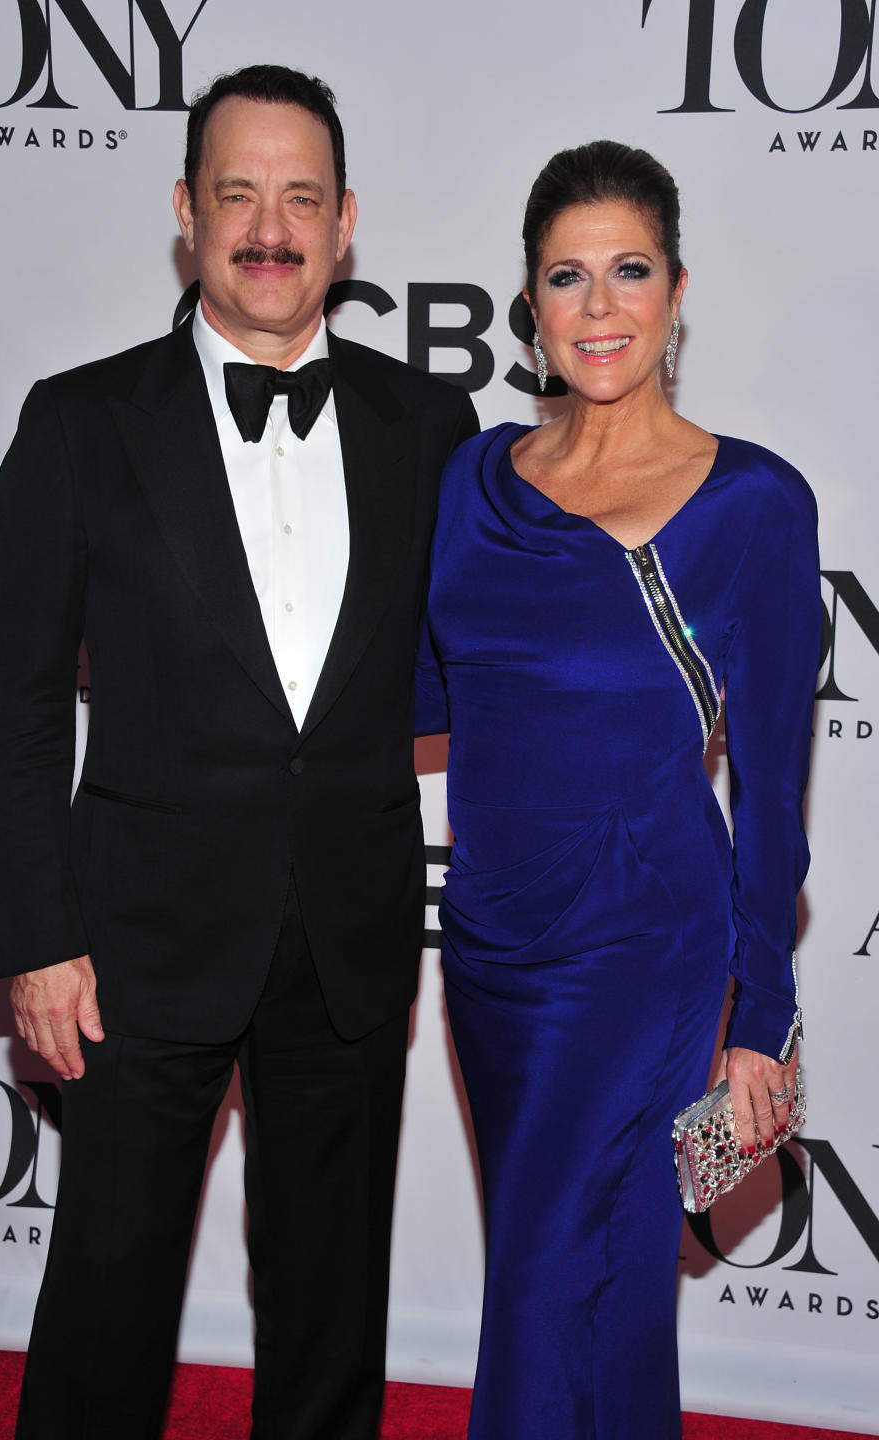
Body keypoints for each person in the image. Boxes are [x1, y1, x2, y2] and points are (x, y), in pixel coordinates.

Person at [0, 64, 478, 1440]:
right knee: (107, 1304)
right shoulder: (80, 422)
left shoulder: (429, 426)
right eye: (238, 192)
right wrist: (35, 936)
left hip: (354, 936)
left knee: (328, 1316)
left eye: (300, 196)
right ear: (187, 215)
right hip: (132, 941)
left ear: (346, 221)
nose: (270, 225)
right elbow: (13, 700)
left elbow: (486, 659)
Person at [416, 140, 819, 1439]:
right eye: (567, 277)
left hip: (640, 949)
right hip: (487, 944)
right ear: (528, 305)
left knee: (541, 1288)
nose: (599, 307)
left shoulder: (750, 502)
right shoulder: (473, 486)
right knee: (607, 1283)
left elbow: (772, 788)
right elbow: (415, 702)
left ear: (678, 289)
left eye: (628, 271)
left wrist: (761, 1017)